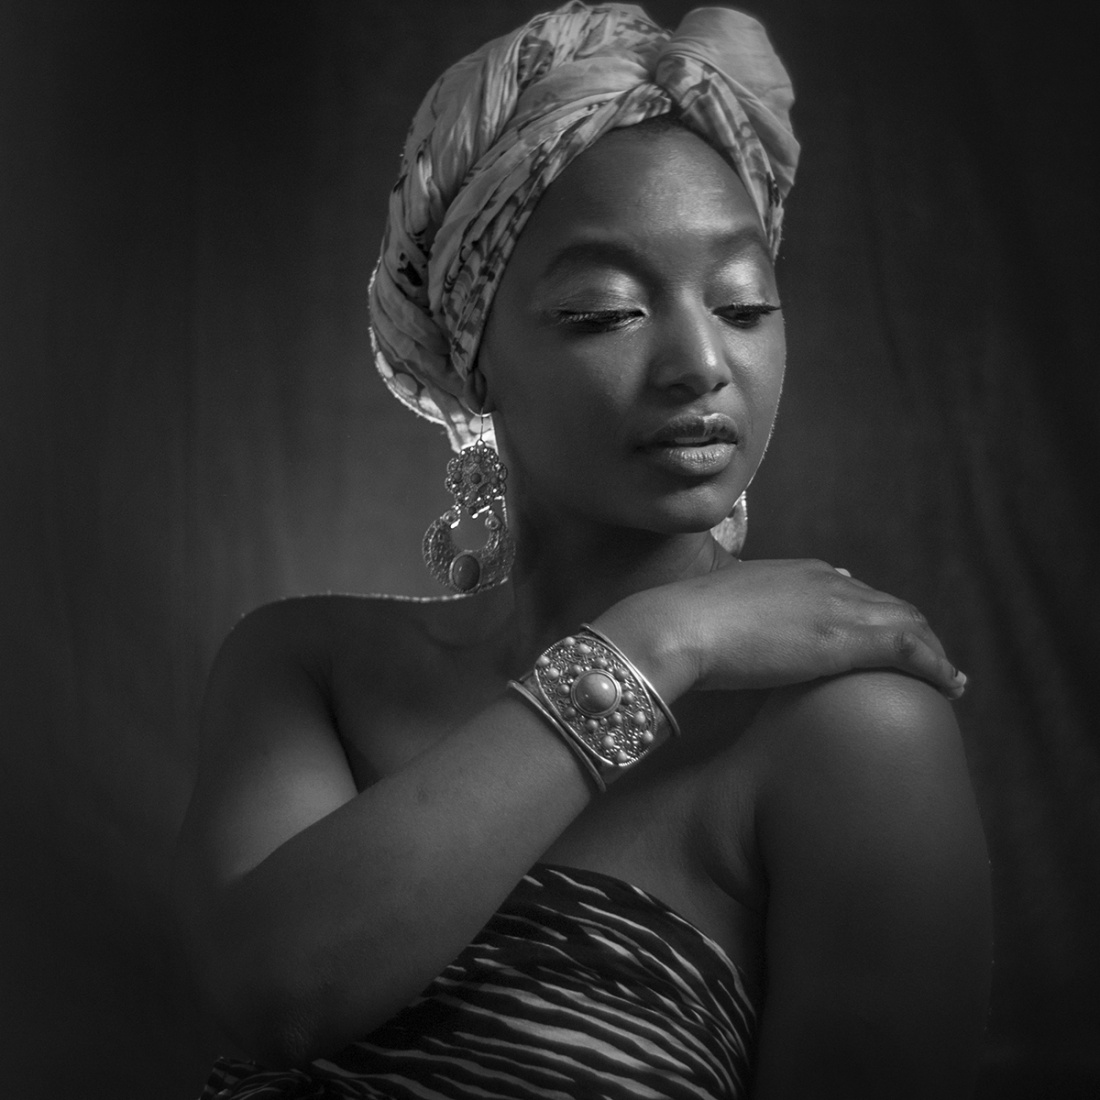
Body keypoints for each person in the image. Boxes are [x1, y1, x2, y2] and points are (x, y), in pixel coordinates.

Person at [175, 4, 992, 1097]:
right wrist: (655, 645)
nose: (701, 361)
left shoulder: (851, 734)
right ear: (473, 358)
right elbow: (280, 991)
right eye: (606, 312)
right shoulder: (303, 666)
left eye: (744, 303)